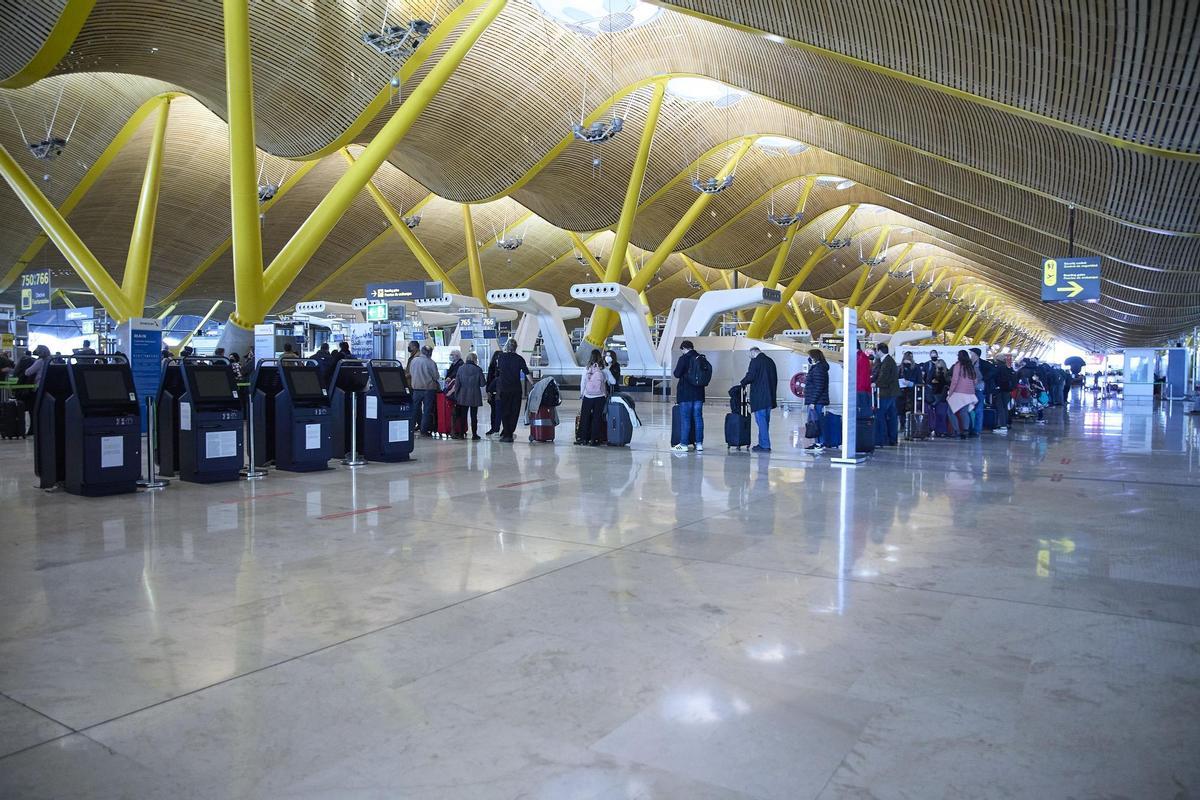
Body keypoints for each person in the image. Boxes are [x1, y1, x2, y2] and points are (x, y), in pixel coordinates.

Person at [739, 346, 778, 452]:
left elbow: (751, 376)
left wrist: (742, 383)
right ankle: (762, 443)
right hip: (769, 396)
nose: (750, 356)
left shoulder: (755, 362)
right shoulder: (770, 361)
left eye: (750, 354)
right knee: (765, 421)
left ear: (753, 352)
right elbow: (775, 379)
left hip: (759, 397)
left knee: (761, 421)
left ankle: (765, 445)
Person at [672, 340, 705, 452]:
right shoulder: (700, 358)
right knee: (698, 418)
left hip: (685, 394)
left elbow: (676, 374)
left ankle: (684, 444)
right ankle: (699, 444)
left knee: (685, 419)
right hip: (699, 394)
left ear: (684, 348)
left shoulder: (684, 358)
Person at [495, 339, 530, 442]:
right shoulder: (519, 359)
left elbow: (498, 371)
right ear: (516, 347)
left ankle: (506, 433)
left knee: (505, 411)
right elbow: (526, 373)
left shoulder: (501, 357)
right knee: (514, 411)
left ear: (507, 347)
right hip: (516, 389)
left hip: (504, 389)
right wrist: (533, 384)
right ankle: (510, 433)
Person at [451, 352, 486, 440]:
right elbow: (482, 384)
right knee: (474, 416)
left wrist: (456, 395)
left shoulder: (461, 368)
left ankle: (461, 434)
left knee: (463, 416)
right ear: (475, 360)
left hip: (463, 395)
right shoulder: (478, 369)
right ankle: (474, 434)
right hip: (474, 396)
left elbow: (457, 384)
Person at [577, 349, 608, 446]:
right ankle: (594, 440)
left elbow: (583, 382)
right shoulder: (603, 369)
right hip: (600, 396)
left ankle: (583, 439)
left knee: (585, 417)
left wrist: (582, 394)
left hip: (588, 395)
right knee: (596, 418)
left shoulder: (586, 368)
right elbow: (606, 381)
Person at [872, 343, 900, 446]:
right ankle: (892, 439)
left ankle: (882, 438)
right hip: (891, 393)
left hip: (887, 393)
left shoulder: (887, 361)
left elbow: (884, 377)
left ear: (879, 351)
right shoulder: (887, 360)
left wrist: (875, 384)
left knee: (880, 414)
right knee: (891, 416)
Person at [408, 344, 439, 435]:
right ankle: (424, 430)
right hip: (428, 389)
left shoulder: (414, 361)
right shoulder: (431, 362)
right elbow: (436, 376)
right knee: (427, 410)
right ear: (430, 353)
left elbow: (411, 372)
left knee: (414, 409)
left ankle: (411, 428)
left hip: (416, 389)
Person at [804, 349, 830, 452]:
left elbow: (819, 387)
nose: (809, 359)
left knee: (817, 422)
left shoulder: (819, 369)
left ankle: (820, 443)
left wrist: (813, 402)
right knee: (814, 422)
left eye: (810, 356)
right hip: (816, 400)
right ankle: (817, 442)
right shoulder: (818, 368)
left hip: (817, 401)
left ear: (814, 357)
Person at [948, 350, 978, 439]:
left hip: (958, 392)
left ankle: (957, 431)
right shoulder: (970, 366)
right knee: (964, 412)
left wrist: (950, 392)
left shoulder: (958, 365)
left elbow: (954, 380)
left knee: (950, 412)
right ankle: (965, 431)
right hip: (970, 393)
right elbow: (975, 381)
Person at [898, 351, 920, 418]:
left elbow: (919, 382)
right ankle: (902, 424)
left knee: (911, 411)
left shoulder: (916, 368)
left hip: (912, 393)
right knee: (901, 411)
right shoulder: (899, 368)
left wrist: (911, 384)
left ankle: (910, 425)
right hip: (901, 394)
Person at [485, 349, 501, 435]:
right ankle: (494, 428)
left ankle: (496, 428)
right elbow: (488, 380)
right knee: (494, 411)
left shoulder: (501, 368)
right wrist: (488, 391)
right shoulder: (492, 368)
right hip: (493, 392)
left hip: (498, 392)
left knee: (497, 412)